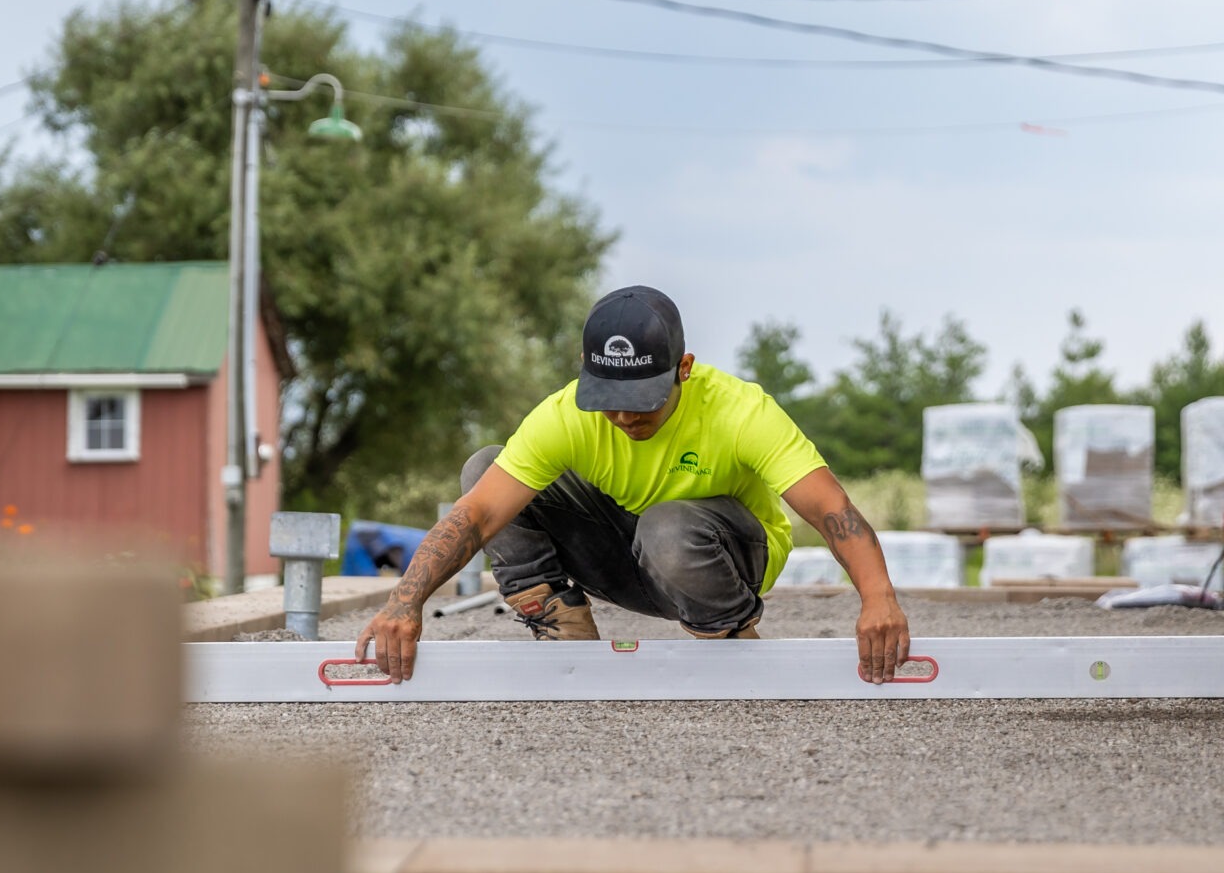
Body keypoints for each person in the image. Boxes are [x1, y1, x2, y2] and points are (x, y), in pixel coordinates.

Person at [354, 285, 913, 682]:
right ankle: (562, 628)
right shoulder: (562, 416)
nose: (624, 418)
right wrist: (404, 603)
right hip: (626, 556)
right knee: (485, 469)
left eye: (643, 401)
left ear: (684, 368)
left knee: (668, 525)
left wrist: (878, 599)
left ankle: (728, 636)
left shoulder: (741, 411)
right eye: (610, 402)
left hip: (726, 559)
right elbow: (475, 516)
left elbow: (829, 508)